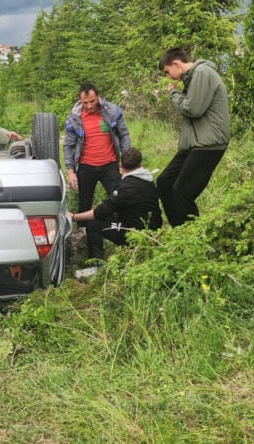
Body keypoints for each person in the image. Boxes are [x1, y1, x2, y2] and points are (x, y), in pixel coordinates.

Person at [157, 47, 230, 227]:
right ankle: (179, 232)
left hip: (208, 144)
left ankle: (193, 237)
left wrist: (173, 94)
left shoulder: (202, 73)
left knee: (182, 193)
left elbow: (193, 109)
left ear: (176, 63)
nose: (169, 77)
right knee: (164, 182)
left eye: (168, 72)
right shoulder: (193, 77)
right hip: (194, 145)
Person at [69, 148, 162, 277]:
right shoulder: (148, 180)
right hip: (154, 230)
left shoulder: (125, 188)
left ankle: (97, 265)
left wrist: (74, 217)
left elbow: (99, 212)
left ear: (120, 166)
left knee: (93, 223)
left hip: (136, 234)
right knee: (113, 213)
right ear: (140, 165)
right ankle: (108, 240)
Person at [63, 82, 131, 259]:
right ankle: (83, 244)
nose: (89, 106)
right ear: (80, 101)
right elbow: (69, 146)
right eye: (85, 103)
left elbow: (123, 134)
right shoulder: (74, 118)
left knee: (118, 201)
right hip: (86, 166)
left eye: (92, 101)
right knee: (84, 205)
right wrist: (70, 171)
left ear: (98, 97)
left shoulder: (111, 111)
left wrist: (125, 161)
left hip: (110, 164)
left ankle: (122, 240)